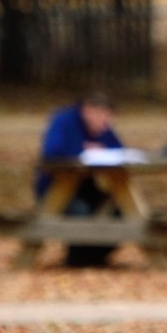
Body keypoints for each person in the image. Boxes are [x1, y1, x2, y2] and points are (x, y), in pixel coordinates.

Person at [36, 93, 126, 268]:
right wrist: (81, 150)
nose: (105, 123)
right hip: (56, 188)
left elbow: (118, 151)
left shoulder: (103, 129)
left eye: (108, 118)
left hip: (88, 187)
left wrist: (102, 149)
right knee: (81, 213)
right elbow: (52, 152)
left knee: (119, 210)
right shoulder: (64, 122)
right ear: (88, 111)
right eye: (102, 117)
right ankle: (78, 258)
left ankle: (95, 257)